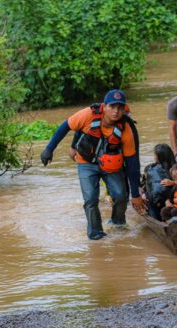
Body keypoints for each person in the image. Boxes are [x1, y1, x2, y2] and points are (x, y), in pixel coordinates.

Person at [40, 89, 146, 240]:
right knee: (90, 199)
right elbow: (66, 127)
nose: (116, 111)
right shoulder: (88, 115)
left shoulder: (126, 129)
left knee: (121, 196)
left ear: (124, 109)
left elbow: (132, 163)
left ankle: (118, 223)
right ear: (104, 106)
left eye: (120, 107)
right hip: (86, 163)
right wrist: (49, 149)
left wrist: (135, 194)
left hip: (111, 166)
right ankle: (96, 234)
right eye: (112, 107)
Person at [142, 144, 176, 220]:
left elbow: (145, 184)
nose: (153, 156)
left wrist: (173, 182)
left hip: (162, 202)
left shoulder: (150, 169)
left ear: (157, 157)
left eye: (154, 154)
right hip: (171, 200)